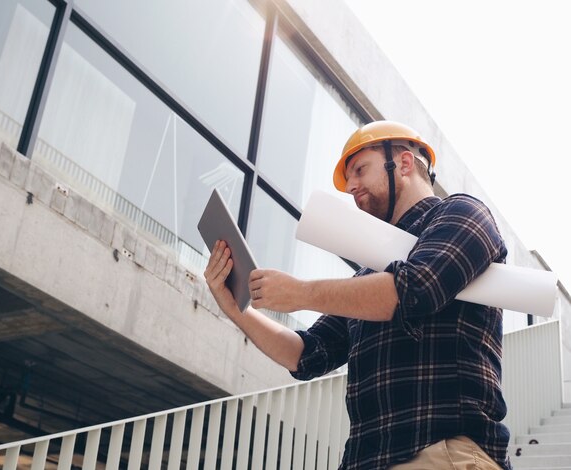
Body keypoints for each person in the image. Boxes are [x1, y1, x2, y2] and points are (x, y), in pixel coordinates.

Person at [204, 120, 511, 469]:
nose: (350, 186)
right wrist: (235, 308)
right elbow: (305, 355)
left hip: (442, 453)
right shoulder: (367, 276)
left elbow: (417, 288)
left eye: (360, 170)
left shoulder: (462, 213)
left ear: (405, 164)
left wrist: (301, 293)